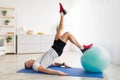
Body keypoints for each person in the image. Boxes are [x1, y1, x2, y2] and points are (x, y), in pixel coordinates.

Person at [24, 3, 93, 76]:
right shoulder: (35, 66)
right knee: (67, 34)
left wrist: (63, 64)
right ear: (29, 65)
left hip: (53, 49)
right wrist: (57, 72)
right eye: (28, 62)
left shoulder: (38, 62)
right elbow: (45, 70)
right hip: (55, 51)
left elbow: (52, 64)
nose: (30, 60)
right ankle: (82, 48)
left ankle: (62, 13)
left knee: (59, 31)